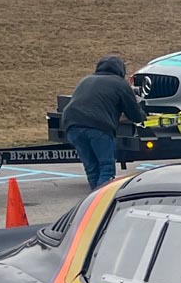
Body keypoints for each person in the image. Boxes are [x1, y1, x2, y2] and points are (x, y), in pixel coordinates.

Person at [59, 55, 146, 189]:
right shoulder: (120, 83)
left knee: (91, 166)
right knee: (106, 167)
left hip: (71, 124)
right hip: (98, 127)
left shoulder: (86, 80)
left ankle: (93, 198)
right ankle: (102, 199)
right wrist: (143, 115)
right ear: (120, 70)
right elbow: (134, 114)